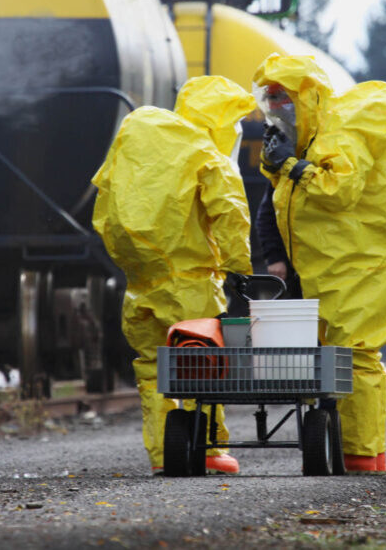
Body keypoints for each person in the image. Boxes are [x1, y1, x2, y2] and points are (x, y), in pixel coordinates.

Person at [256, 53, 386, 474]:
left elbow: (340, 189)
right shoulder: (304, 145)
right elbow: (278, 206)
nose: (277, 111)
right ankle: (344, 449)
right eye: (271, 102)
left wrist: (289, 165)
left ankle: (362, 455)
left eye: (284, 101)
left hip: (353, 268)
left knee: (354, 358)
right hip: (321, 270)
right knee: (327, 360)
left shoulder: (337, 136)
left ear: (307, 99)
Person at [91, 75, 256, 475]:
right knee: (206, 365)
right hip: (190, 284)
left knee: (152, 369)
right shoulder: (206, 155)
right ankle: (212, 451)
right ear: (220, 121)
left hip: (140, 284)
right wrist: (239, 270)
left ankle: (164, 455)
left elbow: (105, 199)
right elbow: (230, 215)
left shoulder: (142, 139)